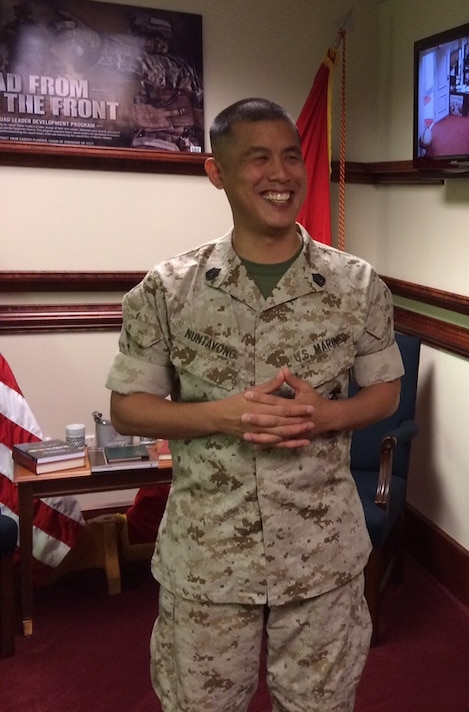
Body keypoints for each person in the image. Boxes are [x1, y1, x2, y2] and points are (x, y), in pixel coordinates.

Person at [106, 97, 403, 712]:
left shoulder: (357, 285)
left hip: (320, 559)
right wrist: (224, 415)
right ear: (217, 172)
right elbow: (128, 409)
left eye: (291, 157)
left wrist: (329, 416)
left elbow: (386, 392)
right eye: (258, 158)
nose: (281, 174)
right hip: (208, 560)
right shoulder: (168, 289)